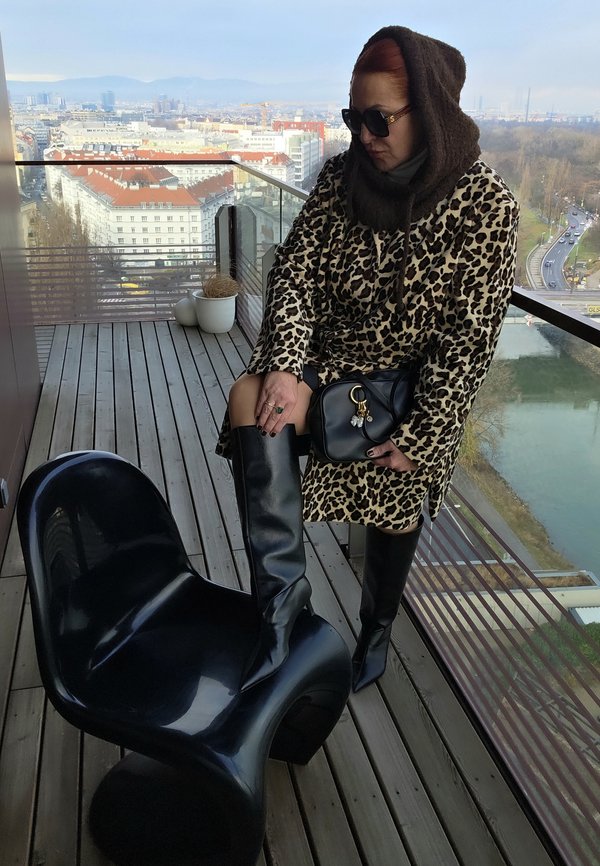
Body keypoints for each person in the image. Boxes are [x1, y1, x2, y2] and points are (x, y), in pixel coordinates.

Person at [217, 25, 519, 692]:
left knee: (398, 494)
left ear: (428, 112)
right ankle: (282, 620)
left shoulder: (484, 205)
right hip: (331, 360)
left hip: (409, 388)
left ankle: (375, 633)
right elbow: (294, 274)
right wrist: (286, 363)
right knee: (251, 397)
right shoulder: (341, 178)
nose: (364, 135)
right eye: (353, 118)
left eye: (379, 119)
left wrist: (425, 434)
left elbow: (468, 339)